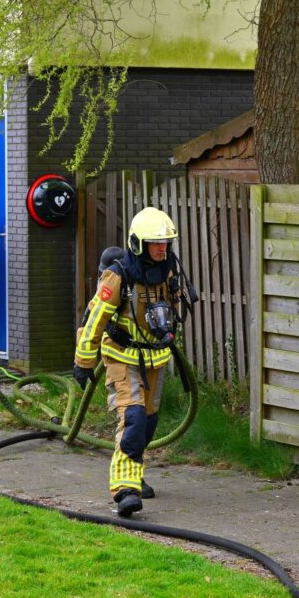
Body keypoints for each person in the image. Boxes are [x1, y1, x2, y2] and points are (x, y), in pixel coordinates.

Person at [72, 207, 187, 518]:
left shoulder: (168, 272)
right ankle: (125, 489)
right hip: (122, 357)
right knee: (133, 418)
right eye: (155, 243)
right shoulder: (118, 275)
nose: (162, 249)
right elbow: (95, 318)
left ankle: (135, 472)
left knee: (148, 422)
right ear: (139, 244)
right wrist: (83, 361)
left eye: (166, 243)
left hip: (156, 359)